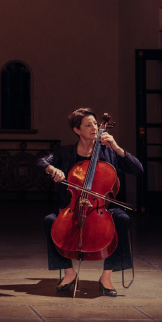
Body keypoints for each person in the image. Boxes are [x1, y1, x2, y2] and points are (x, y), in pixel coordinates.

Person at [38, 108, 143, 296]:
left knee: (122, 220)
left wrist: (117, 148)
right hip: (72, 207)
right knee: (49, 221)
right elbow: (41, 162)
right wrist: (52, 169)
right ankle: (69, 273)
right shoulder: (65, 152)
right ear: (76, 130)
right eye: (88, 125)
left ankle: (106, 277)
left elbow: (138, 169)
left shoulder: (108, 151)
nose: (95, 128)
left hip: (103, 208)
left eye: (95, 123)